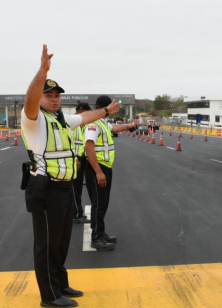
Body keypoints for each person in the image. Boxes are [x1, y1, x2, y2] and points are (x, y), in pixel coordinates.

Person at [21, 45, 121, 308]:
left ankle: (60, 283)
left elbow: (85, 117)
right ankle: (49, 295)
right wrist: (42, 72)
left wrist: (107, 111)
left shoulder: (62, 119)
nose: (54, 99)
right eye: (48, 94)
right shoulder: (33, 119)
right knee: (46, 244)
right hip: (45, 190)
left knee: (62, 241)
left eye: (56, 95)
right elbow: (30, 99)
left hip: (64, 190)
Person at [85, 95, 137, 251]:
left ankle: (100, 233)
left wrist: (128, 126)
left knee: (103, 202)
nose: (114, 110)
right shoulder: (93, 124)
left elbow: (113, 128)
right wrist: (99, 172)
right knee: (99, 204)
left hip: (105, 167)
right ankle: (96, 238)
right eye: (111, 107)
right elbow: (89, 148)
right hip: (98, 168)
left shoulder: (102, 122)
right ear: (103, 107)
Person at [72, 102, 91, 224]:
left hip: (86, 158)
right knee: (76, 188)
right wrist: (74, 158)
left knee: (84, 187)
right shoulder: (72, 124)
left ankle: (78, 212)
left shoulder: (88, 124)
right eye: (82, 111)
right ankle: (76, 214)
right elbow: (68, 142)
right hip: (76, 159)